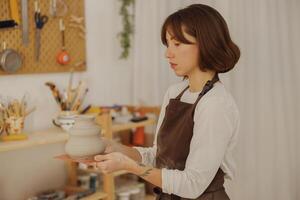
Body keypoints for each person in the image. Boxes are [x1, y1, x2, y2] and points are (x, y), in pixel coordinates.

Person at [89, 4, 240, 200]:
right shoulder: (174, 93)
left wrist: (129, 166)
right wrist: (114, 148)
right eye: (167, 44)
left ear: (205, 43)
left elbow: (193, 184)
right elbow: (158, 156)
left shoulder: (216, 104)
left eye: (177, 44)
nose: (168, 53)